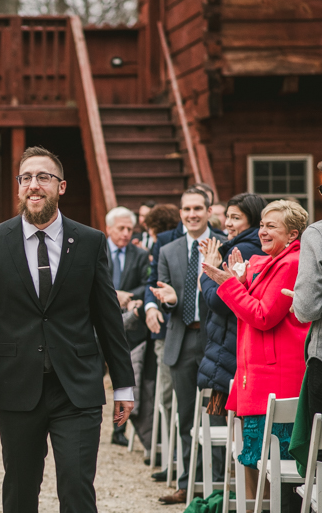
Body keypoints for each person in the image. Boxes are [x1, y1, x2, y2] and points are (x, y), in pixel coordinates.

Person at [0, 146, 135, 513]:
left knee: (77, 488)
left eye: (44, 177)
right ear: (19, 188)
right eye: (26, 178)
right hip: (16, 385)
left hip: (78, 387)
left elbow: (107, 319)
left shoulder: (90, 241)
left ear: (61, 186)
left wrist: (123, 384)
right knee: (20, 490)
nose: (34, 185)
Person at [203, 199, 309, 503]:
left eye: (270, 226)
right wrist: (239, 281)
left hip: (277, 379)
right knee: (263, 465)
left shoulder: (291, 263)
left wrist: (231, 286)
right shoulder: (273, 261)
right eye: (261, 224)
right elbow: (252, 310)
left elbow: (263, 316)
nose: (261, 231)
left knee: (282, 469)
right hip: (260, 374)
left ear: (291, 235)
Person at [149, 188, 227, 504]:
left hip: (215, 340)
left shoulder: (223, 243)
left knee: (217, 415)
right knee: (185, 416)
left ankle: (219, 486)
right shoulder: (168, 250)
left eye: (197, 208)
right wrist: (167, 302)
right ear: (180, 213)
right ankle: (187, 483)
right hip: (182, 339)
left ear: (208, 211)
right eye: (186, 209)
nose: (192, 214)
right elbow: (162, 291)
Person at [197, 193, 266, 415]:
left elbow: (218, 301)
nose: (227, 223)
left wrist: (207, 271)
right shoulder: (251, 245)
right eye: (227, 216)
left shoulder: (242, 249)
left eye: (236, 218)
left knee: (230, 423)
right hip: (233, 343)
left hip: (232, 345)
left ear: (253, 220)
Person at [105, 206, 151, 448]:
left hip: (129, 325)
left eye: (129, 229)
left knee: (124, 377)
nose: (125, 233)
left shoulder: (140, 255)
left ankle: (119, 428)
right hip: (97, 323)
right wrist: (114, 295)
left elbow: (147, 284)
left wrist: (129, 295)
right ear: (108, 228)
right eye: (120, 228)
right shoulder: (97, 250)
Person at [142, 203, 181, 478]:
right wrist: (150, 306)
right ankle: (171, 461)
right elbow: (152, 282)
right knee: (166, 397)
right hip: (166, 330)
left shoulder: (216, 239)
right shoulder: (164, 243)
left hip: (198, 331)